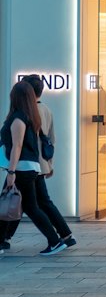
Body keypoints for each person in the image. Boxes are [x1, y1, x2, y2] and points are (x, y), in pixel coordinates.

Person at [0, 80, 74, 254]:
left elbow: (17, 146)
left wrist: (11, 172)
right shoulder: (31, 116)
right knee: (26, 204)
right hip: (30, 167)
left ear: (16, 97)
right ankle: (56, 239)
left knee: (23, 205)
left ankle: (55, 241)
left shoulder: (19, 118)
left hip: (21, 168)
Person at [21, 74, 77, 249]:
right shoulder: (46, 109)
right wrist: (50, 163)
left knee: (27, 202)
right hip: (41, 163)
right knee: (36, 201)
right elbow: (51, 139)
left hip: (29, 163)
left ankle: (59, 237)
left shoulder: (29, 111)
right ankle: (65, 234)